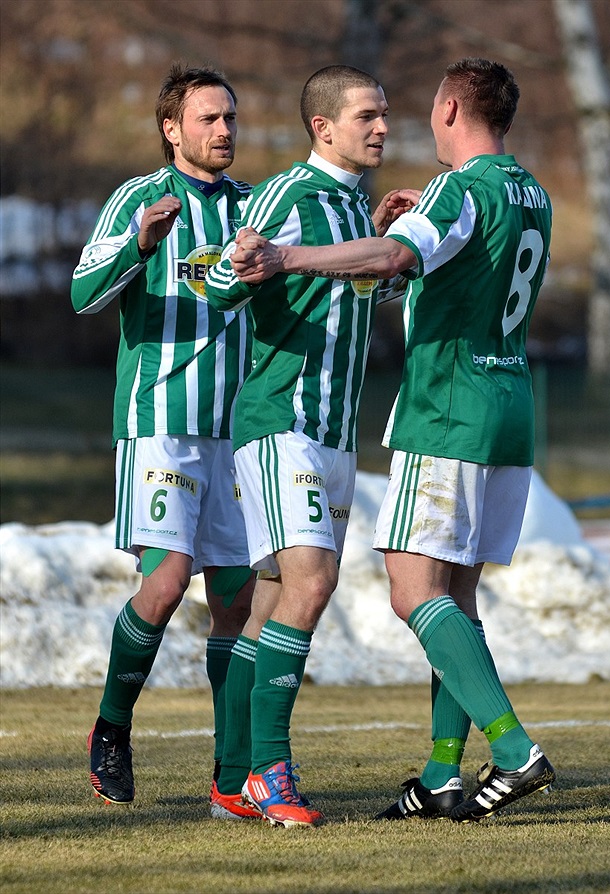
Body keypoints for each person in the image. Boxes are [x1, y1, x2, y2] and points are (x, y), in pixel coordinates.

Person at [231, 57, 556, 824]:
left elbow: (396, 257)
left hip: (448, 408)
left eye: (402, 111)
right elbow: (449, 268)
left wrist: (288, 256)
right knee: (455, 595)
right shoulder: (533, 190)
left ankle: (511, 748)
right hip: (510, 403)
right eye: (369, 116)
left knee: (414, 592)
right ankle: (442, 773)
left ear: (448, 107)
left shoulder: (459, 188)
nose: (389, 127)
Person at [204, 64, 417, 828]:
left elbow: (345, 299)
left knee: (267, 609)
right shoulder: (292, 194)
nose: (382, 127)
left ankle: (233, 779)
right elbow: (222, 277)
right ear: (324, 128)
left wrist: (382, 250)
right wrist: (236, 266)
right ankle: (270, 773)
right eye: (368, 115)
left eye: (384, 114)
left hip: (333, 434)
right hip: (281, 422)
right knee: (312, 583)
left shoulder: (349, 205)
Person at [71, 63, 256, 807]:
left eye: (231, 119)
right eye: (209, 119)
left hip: (240, 432)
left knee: (238, 601)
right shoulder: (138, 199)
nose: (224, 132)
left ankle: (230, 773)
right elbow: (84, 295)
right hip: (160, 424)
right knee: (169, 580)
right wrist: (140, 246)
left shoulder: (256, 207)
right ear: (171, 129)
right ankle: (110, 728)